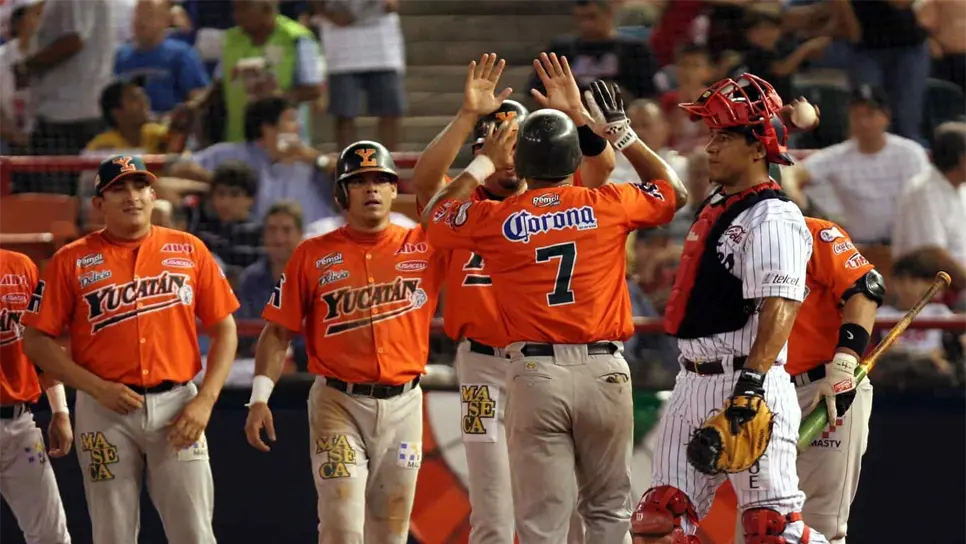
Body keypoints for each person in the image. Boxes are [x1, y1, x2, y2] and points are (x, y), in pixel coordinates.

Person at [423, 75, 687, 542]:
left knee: (541, 520)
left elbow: (435, 214)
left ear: (520, 160)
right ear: (573, 159)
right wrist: (615, 131)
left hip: (533, 371)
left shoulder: (496, 219)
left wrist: (483, 163)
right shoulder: (608, 204)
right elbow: (674, 192)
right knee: (609, 511)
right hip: (603, 369)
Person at [408, 51, 615, 544]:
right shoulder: (465, 202)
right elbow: (423, 185)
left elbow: (602, 167)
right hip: (482, 364)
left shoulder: (555, 197)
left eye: (514, 145)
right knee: (492, 504)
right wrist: (467, 121)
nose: (506, 156)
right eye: (495, 146)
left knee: (563, 503)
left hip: (548, 363)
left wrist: (576, 117)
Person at [630, 74, 828, 544]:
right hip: (691, 383)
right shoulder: (725, 204)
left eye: (722, 137)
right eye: (711, 134)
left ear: (756, 148)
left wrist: (751, 387)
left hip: (747, 383)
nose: (710, 147)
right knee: (659, 523)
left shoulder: (774, 215)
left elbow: (781, 303)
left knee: (771, 532)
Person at [21, 154, 240, 544]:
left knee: (194, 533)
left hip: (178, 405)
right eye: (117, 188)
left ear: (154, 195)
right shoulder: (70, 261)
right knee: (113, 535)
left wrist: (205, 401)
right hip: (104, 411)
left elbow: (225, 329)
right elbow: (35, 340)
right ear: (98, 203)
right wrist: (93, 387)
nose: (131, 196)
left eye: (139, 186)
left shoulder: (189, 250)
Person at [244, 140, 447, 543]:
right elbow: (278, 330)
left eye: (380, 180)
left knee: (392, 532)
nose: (371, 189)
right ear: (341, 194)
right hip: (339, 403)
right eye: (359, 181)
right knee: (341, 527)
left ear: (394, 190)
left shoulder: (426, 245)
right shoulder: (312, 253)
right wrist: (259, 396)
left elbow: (457, 200)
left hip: (405, 404)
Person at [778, 217, 882, 544]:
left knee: (820, 523)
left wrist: (844, 363)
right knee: (761, 522)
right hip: (764, 390)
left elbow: (866, 287)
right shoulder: (729, 237)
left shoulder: (812, 231)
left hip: (824, 387)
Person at [0, 248, 73, 544]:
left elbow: (42, 346)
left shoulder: (20, 267)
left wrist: (61, 410)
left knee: (52, 537)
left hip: (20, 425)